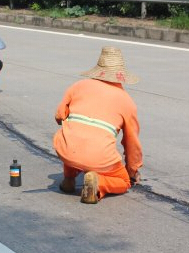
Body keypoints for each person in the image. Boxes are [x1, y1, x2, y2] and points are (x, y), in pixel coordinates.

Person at [53, 46, 143, 204]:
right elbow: (131, 143)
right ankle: (98, 183)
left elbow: (59, 116)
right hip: (100, 157)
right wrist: (132, 171)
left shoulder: (78, 86)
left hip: (66, 151)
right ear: (121, 75)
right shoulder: (127, 102)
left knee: (72, 133)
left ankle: (68, 179)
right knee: (123, 182)